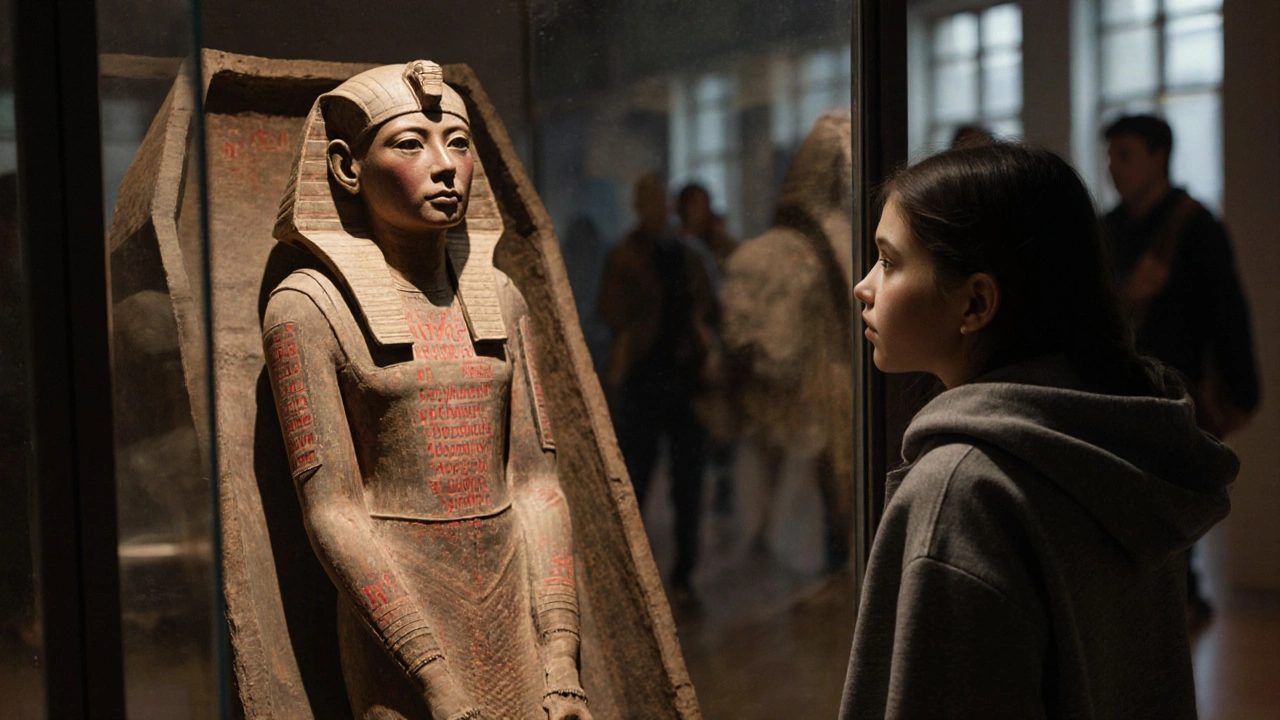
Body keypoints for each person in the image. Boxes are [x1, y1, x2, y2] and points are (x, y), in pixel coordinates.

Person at [841, 143, 1236, 719]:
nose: (864, 286)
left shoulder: (962, 490)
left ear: (975, 303)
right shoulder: (1118, 446)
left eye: (888, 261)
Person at [264, 61, 589, 720]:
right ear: (346, 168)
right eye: (410, 143)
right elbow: (335, 514)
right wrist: (434, 678)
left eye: (459, 142)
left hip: (517, 615)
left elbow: (537, 486)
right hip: (398, 627)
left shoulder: (501, 298)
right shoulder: (305, 310)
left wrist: (559, 655)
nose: (446, 165)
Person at [1103, 114, 1260, 623]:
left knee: (1173, 506)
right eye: (1110, 155)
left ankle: (1177, 602)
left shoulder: (1195, 226)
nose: (1112, 167)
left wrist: (1241, 392)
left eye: (1124, 154)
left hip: (1180, 393)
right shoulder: (1107, 229)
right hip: (1120, 391)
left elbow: (1227, 312)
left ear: (1158, 157)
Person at [598, 173, 716, 602]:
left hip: (683, 380)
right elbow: (611, 312)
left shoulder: (684, 254)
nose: (657, 209)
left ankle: (684, 574)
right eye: (649, 201)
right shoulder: (625, 255)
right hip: (644, 381)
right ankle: (630, 573)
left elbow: (703, 305)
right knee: (635, 481)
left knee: (687, 484)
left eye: (660, 201)